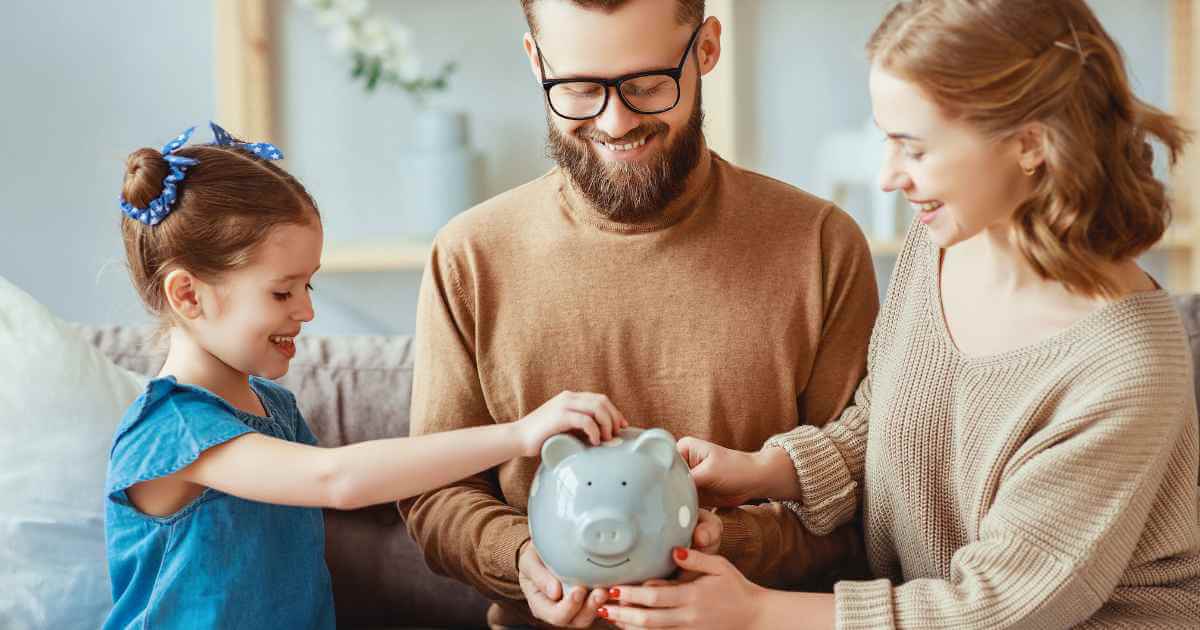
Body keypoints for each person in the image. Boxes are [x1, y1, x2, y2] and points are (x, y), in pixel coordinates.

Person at [598, 1, 1200, 628]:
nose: (888, 177)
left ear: (1030, 144)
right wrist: (764, 472)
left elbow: (998, 607)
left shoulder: (1126, 366)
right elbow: (894, 417)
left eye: (913, 148)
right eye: (885, 139)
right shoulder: (943, 242)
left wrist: (753, 612)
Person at [397, 0, 881, 627]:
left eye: (648, 85)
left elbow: (866, 496)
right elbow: (434, 494)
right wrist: (522, 557)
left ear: (706, 49)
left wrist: (722, 544)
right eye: (578, 88)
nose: (616, 121)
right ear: (535, 60)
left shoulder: (820, 244)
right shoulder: (469, 256)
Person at [104, 123, 626, 629]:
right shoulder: (171, 430)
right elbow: (338, 479)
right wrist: (518, 434)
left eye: (310, 286)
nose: (306, 311)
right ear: (188, 295)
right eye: (283, 292)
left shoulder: (273, 408)